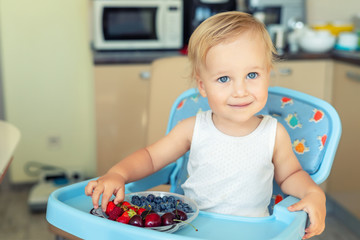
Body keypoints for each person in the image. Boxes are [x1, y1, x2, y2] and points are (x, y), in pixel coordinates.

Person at [85, 11, 325, 239]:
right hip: (194, 230)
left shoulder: (273, 133)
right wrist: (118, 173)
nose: (240, 91)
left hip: (251, 234)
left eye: (252, 75)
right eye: (223, 78)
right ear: (202, 86)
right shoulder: (192, 128)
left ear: (267, 74)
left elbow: (291, 175)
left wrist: (313, 193)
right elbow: (150, 157)